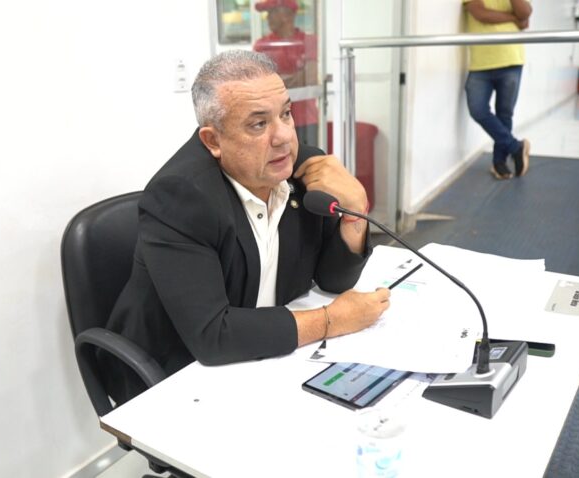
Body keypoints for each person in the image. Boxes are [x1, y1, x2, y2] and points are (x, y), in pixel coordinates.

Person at [102, 50, 391, 405]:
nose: (284, 136)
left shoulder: (298, 168)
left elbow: (334, 280)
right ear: (213, 141)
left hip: (266, 354)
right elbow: (213, 336)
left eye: (285, 114)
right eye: (258, 124)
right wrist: (331, 321)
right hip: (178, 372)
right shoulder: (180, 197)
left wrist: (354, 212)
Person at [463, 0, 532, 180]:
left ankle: (499, 163)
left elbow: (525, 14)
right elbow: (481, 14)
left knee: (505, 113)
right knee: (478, 109)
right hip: (481, 63)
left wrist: (518, 17)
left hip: (511, 58)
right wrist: (513, 18)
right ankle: (516, 147)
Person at [253, 0, 320, 147]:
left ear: (287, 14)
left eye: (271, 12)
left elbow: (311, 78)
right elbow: (262, 85)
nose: (267, 18)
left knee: (310, 160)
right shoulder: (262, 45)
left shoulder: (309, 41)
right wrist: (299, 75)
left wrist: (278, 80)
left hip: (306, 119)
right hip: (275, 121)